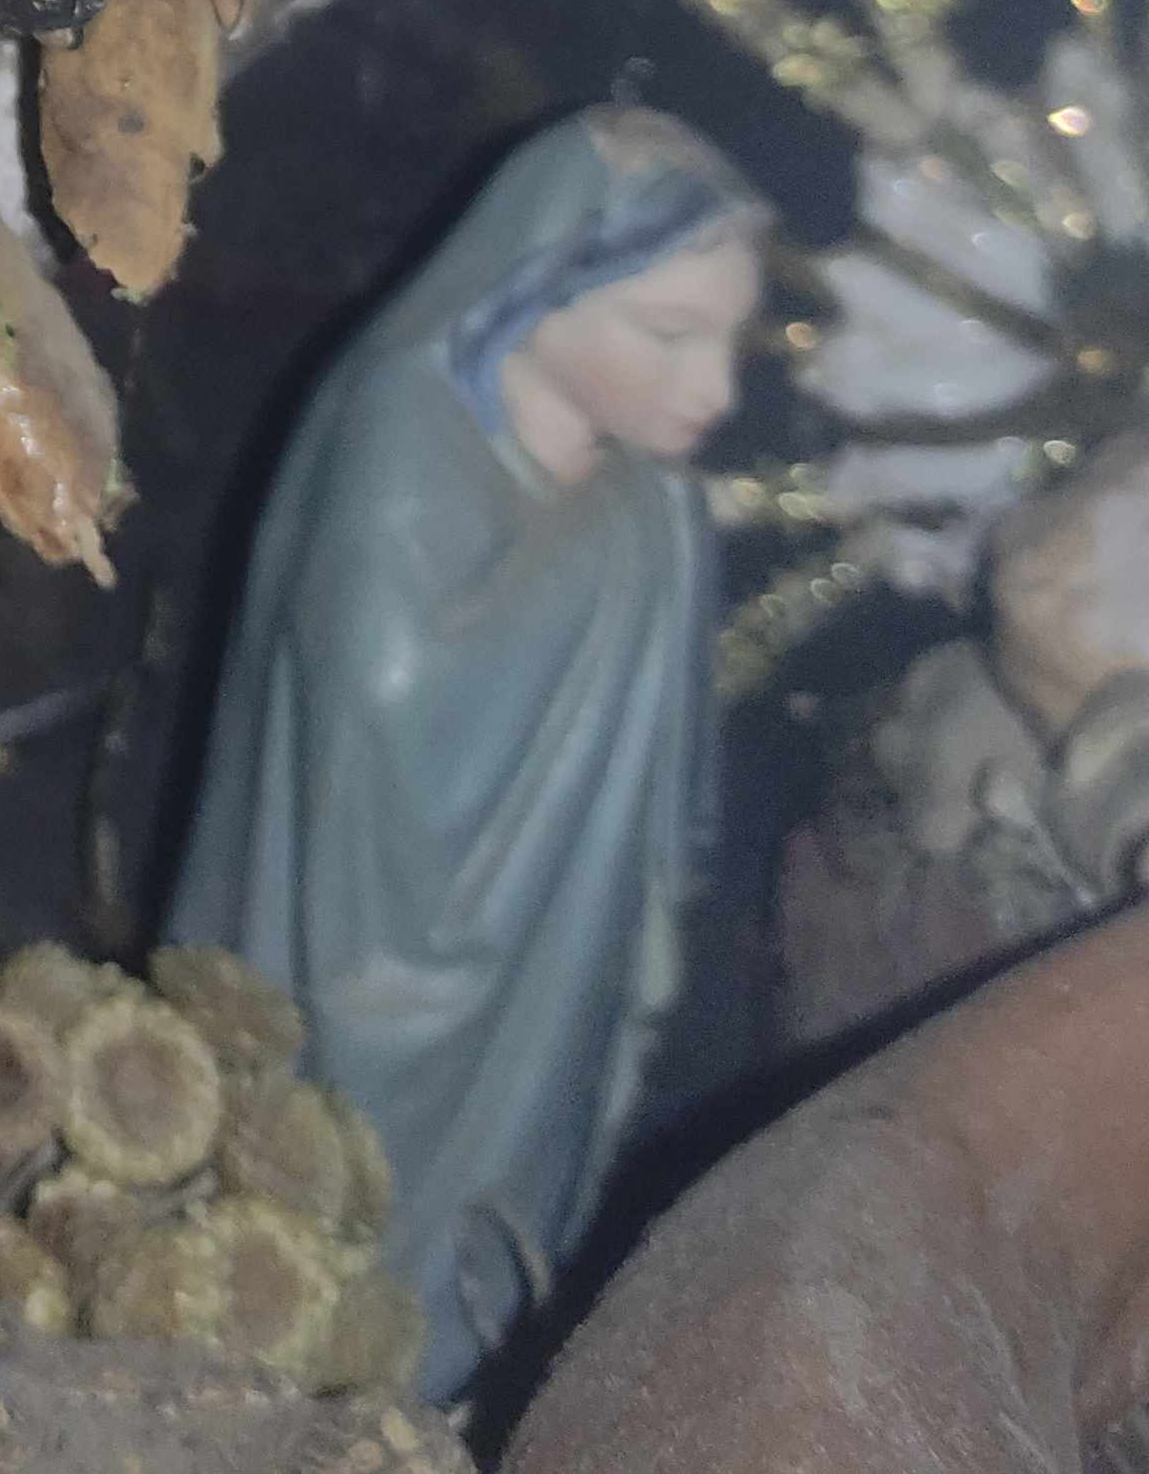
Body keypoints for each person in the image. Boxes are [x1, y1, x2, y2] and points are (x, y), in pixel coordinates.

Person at [166, 107, 767, 1398]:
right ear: (537, 286)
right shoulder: (401, 430)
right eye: (668, 335)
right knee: (300, 1240)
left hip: (539, 969)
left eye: (729, 341)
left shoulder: (644, 503)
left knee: (484, 1236)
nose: (715, 392)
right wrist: (602, 555)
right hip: (346, 949)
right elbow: (378, 713)